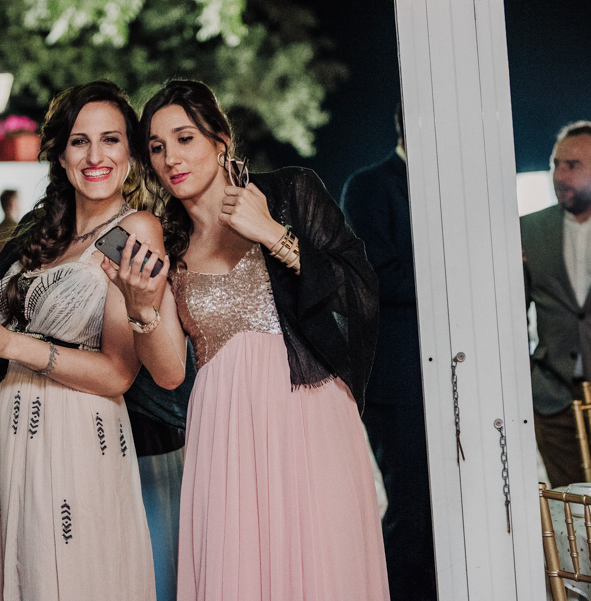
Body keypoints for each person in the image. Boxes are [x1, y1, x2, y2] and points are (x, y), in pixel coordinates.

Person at [103, 80, 390, 601]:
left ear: (220, 141)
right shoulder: (167, 244)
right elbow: (168, 370)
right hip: (224, 428)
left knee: (320, 567)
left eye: (185, 138)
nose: (171, 158)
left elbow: (360, 291)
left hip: (308, 413)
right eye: (157, 147)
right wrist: (140, 304)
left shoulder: (288, 192)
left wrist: (271, 233)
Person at [0, 80, 156, 600]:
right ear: (61, 155)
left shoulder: (135, 230)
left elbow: (118, 373)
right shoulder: (40, 231)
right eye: (80, 141)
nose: (95, 155)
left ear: (131, 153)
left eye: (111, 139)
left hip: (71, 436)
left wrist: (11, 346)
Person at [339, 104, 436, 601]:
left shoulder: (455, 185)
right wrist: (457, 273)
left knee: (453, 512)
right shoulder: (370, 186)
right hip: (397, 381)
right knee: (412, 514)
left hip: (451, 377)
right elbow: (376, 278)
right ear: (402, 119)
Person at [521, 120, 591, 488]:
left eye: (573, 166)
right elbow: (510, 314)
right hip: (554, 402)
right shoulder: (527, 230)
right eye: (556, 164)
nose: (559, 175)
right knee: (573, 516)